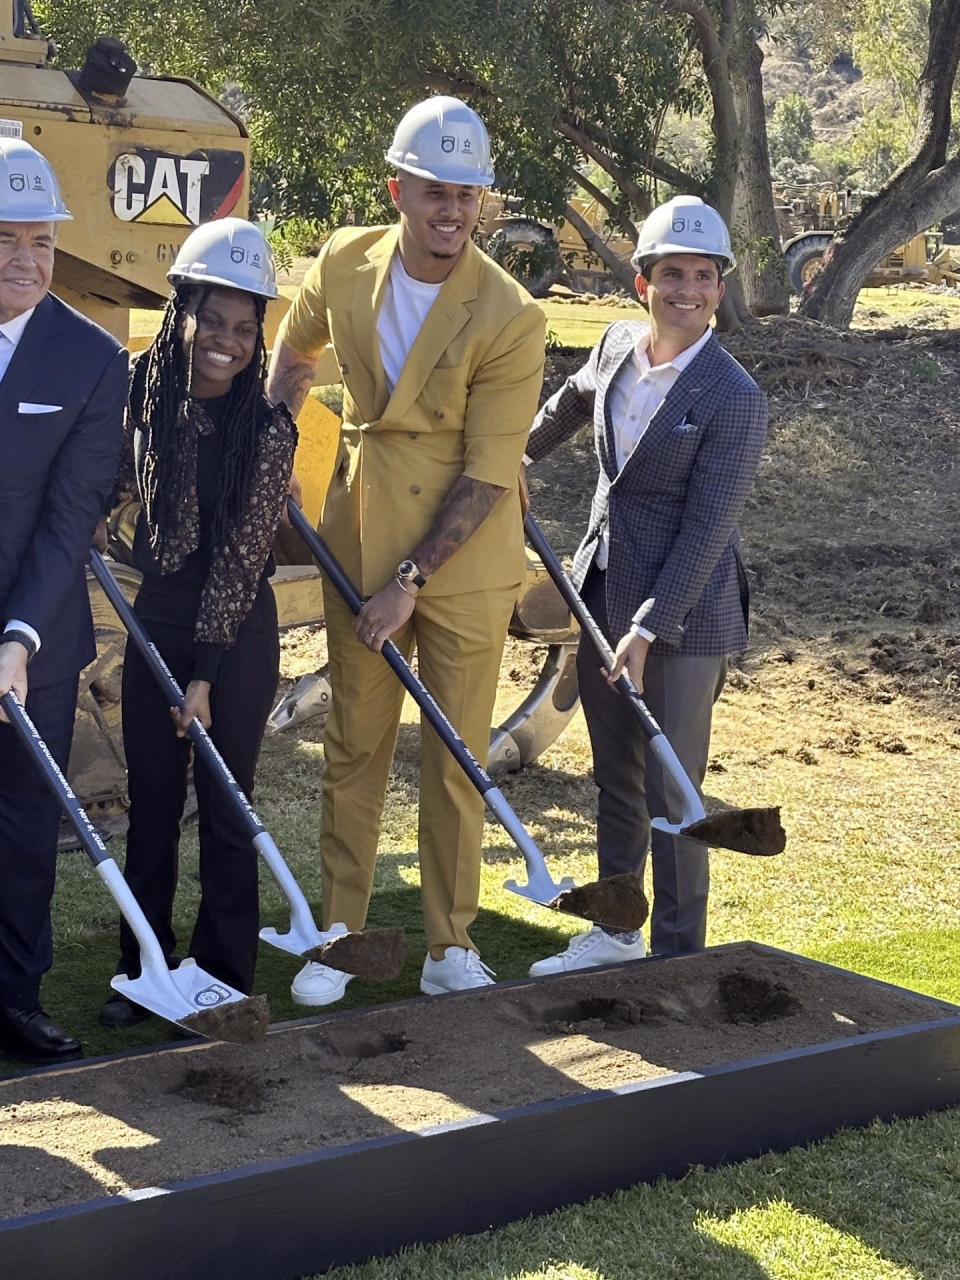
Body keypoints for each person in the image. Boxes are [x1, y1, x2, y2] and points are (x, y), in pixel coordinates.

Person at [267, 96, 545, 1006]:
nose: (454, 211)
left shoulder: (511, 313)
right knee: (355, 747)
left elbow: (488, 472)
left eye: (470, 194)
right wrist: (279, 443)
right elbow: (294, 351)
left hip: (463, 562)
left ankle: (447, 943)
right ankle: (338, 935)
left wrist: (410, 584)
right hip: (358, 538)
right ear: (399, 189)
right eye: (435, 191)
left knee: (457, 756)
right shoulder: (345, 261)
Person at [524, 195, 768, 971]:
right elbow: (569, 403)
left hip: (685, 622)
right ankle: (616, 931)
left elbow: (706, 530)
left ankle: (677, 959)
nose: (686, 289)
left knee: (675, 796)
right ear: (643, 283)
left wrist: (649, 627)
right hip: (600, 595)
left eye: (703, 276)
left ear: (720, 289)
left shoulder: (734, 397)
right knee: (615, 779)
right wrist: (515, 459)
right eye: (672, 274)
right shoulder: (616, 346)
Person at [99, 219, 297, 1029]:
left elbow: (242, 563)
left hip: (236, 632)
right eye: (211, 321)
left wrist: (205, 677)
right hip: (157, 616)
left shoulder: (267, 430)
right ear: (181, 310)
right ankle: (143, 964)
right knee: (150, 804)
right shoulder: (138, 394)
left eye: (245, 329)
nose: (227, 342)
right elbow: (105, 478)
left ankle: (221, 971)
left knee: (225, 801)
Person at [0, 138, 126, 1063]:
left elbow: (69, 516)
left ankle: (13, 999)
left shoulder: (88, 360)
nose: (26, 261)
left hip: (32, 635)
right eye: (6, 240)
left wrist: (18, 636)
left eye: (41, 242)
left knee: (23, 827)